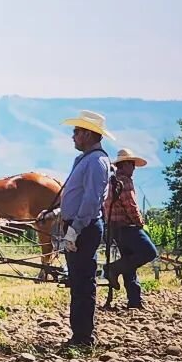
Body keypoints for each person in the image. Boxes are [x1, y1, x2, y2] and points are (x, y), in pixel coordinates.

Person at [58, 110, 113, 347]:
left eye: (77, 132)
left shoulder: (97, 162)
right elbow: (76, 195)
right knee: (77, 281)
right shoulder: (84, 160)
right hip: (76, 226)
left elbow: (91, 200)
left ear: (89, 134)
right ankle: (78, 334)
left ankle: (83, 338)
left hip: (85, 228)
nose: (73, 136)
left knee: (83, 282)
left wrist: (75, 229)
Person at [103, 149, 158, 309]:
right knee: (149, 252)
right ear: (125, 164)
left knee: (129, 262)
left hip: (115, 229)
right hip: (128, 227)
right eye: (132, 165)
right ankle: (112, 269)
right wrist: (140, 223)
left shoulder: (111, 182)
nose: (134, 168)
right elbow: (131, 206)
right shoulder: (125, 182)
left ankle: (135, 300)